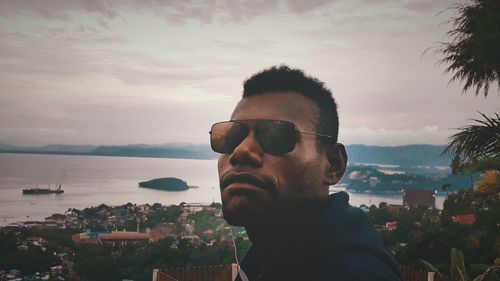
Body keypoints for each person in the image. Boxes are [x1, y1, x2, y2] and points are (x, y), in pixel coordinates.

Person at [210, 65, 402, 281]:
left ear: (332, 164)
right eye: (231, 136)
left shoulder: (356, 273)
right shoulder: (265, 260)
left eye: (276, 136)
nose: (241, 151)